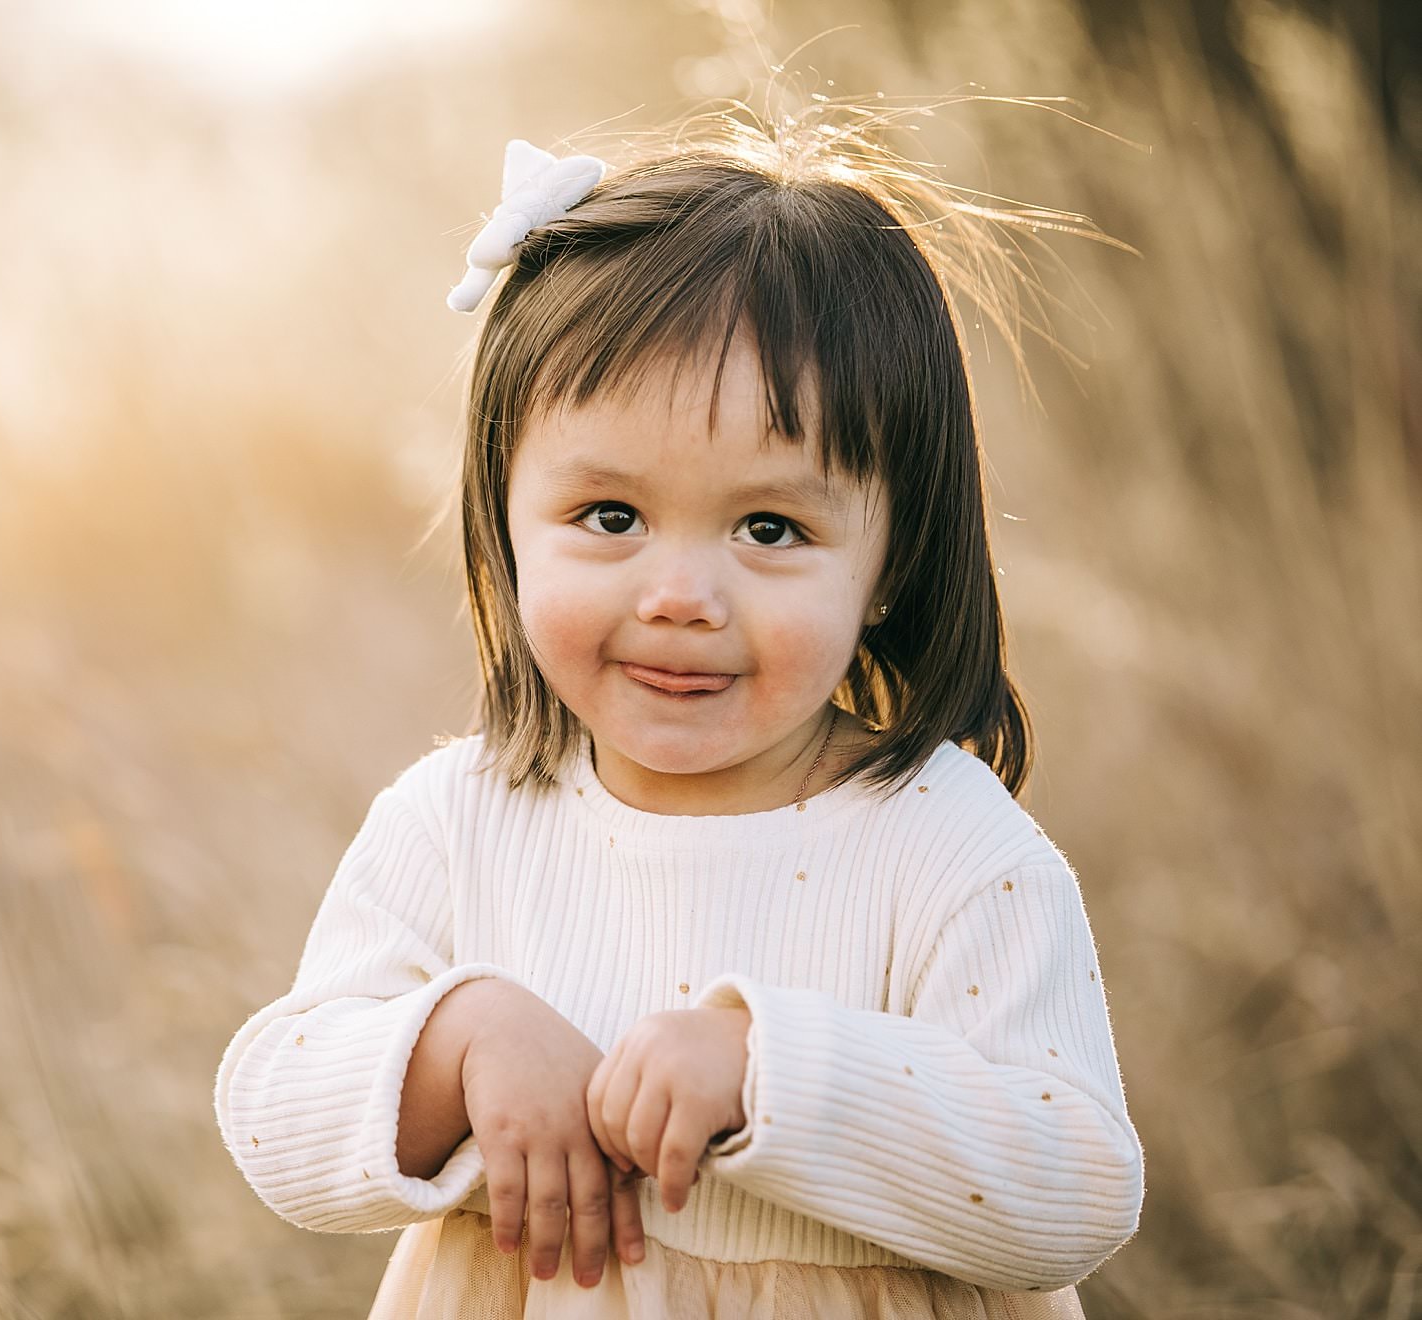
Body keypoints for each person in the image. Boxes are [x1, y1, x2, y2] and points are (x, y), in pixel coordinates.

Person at [212, 116, 1146, 1318]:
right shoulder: (459, 823)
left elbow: (1074, 1185)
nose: (678, 598)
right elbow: (275, 1118)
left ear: (892, 565)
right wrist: (462, 1042)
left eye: (771, 529)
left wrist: (772, 1076)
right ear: (503, 516)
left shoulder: (946, 847)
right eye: (608, 515)